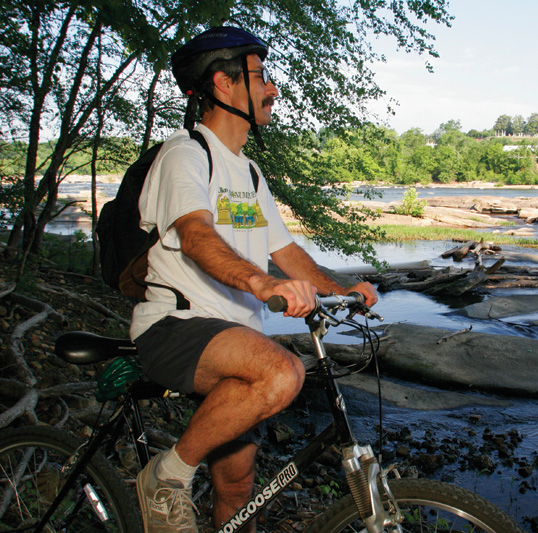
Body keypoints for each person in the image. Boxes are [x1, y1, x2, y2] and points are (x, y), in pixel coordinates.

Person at [132, 26, 378, 532]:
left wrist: (340, 289)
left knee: (239, 485)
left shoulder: (248, 173)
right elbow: (196, 234)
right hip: (177, 326)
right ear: (224, 85)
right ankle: (167, 475)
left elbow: (284, 250)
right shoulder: (185, 154)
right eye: (261, 77)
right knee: (283, 373)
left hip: (234, 338)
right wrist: (263, 286)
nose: (273, 89)